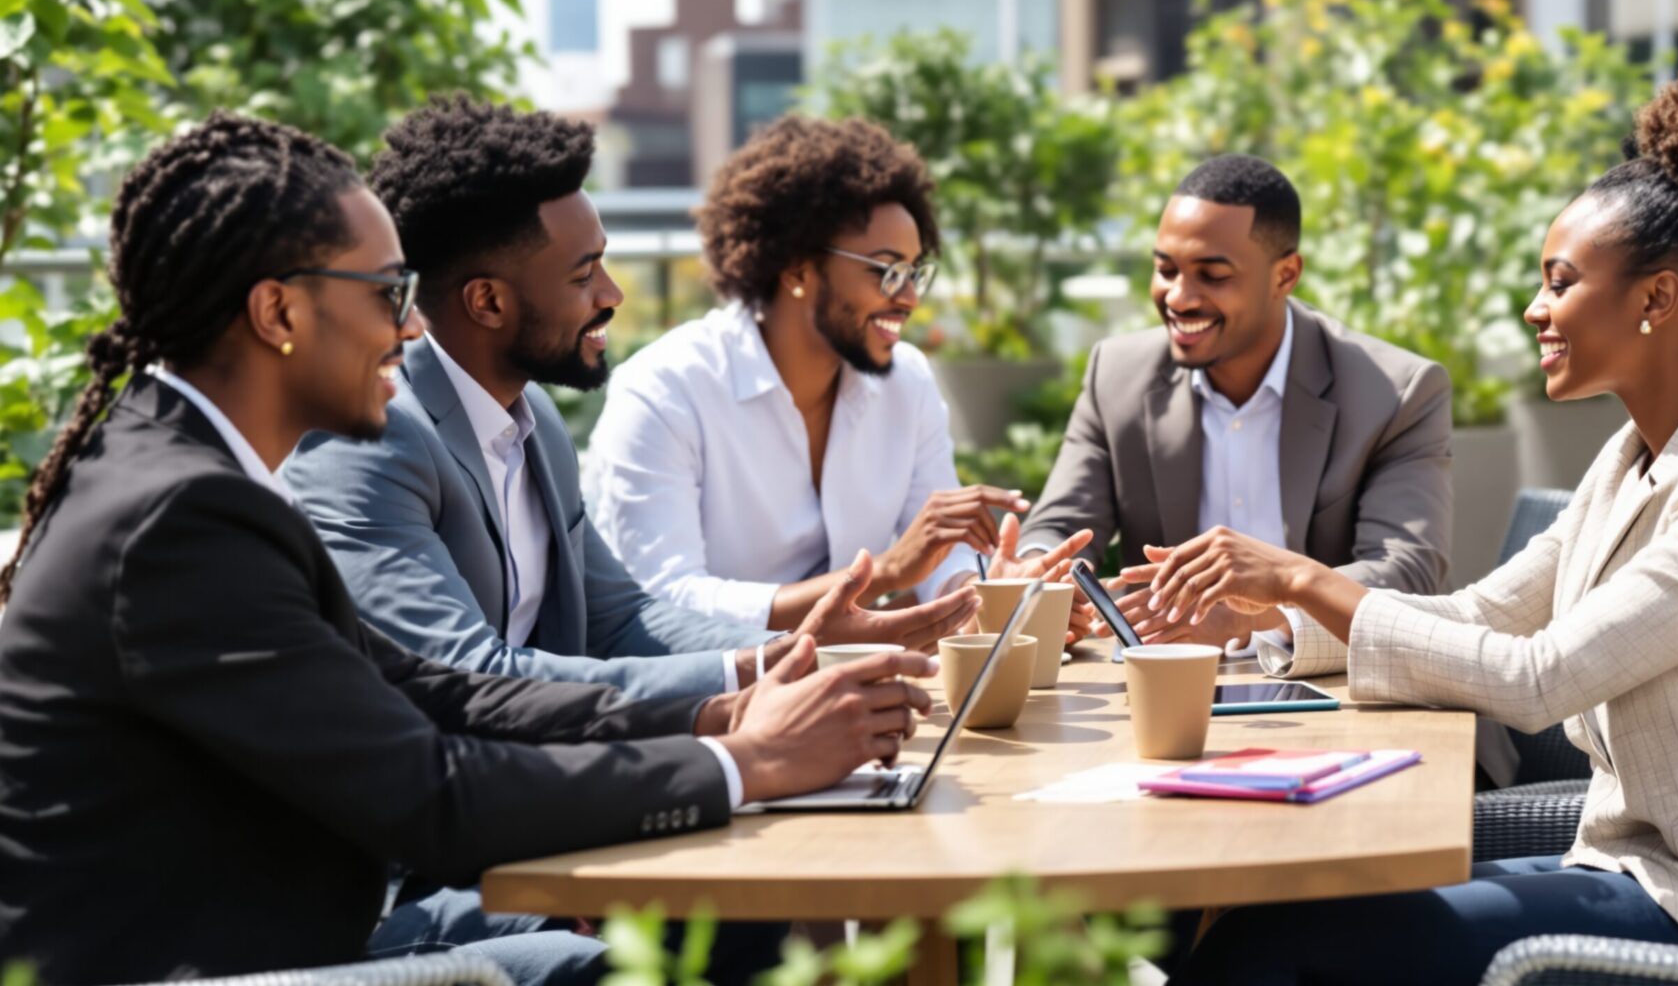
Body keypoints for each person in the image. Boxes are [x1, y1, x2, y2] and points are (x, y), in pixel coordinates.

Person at [0, 113, 936, 986]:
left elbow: (436, 690)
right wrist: (748, 765)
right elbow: (432, 794)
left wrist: (723, 719)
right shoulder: (184, 516)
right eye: (389, 294)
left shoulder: (194, 476)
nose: (410, 328)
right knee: (661, 953)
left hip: (280, 927)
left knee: (712, 923)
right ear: (279, 315)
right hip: (211, 965)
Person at [1133, 65, 1678, 983]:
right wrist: (1274, 621)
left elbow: (1541, 677)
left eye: (1560, 282)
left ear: (1657, 300)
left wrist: (1301, 576)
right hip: (1634, 870)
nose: (1536, 309)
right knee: (1265, 917)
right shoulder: (1631, 459)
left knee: (1285, 945)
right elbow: (1483, 614)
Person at [282, 99, 979, 703]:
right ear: (488, 301)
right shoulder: (370, 438)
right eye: (585, 275)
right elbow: (468, 673)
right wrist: (759, 670)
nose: (613, 294)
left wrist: (798, 652)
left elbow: (620, 619)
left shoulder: (534, 424)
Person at [584, 115, 1092, 637]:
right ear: (797, 268)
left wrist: (991, 589)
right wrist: (883, 573)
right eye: (887, 269)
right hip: (711, 704)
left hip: (862, 689)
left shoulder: (906, 382)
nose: (911, 297)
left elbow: (938, 560)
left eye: (916, 271)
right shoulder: (665, 390)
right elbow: (663, 600)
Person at [1016, 154, 1452, 669]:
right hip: (1168, 689)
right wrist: (1036, 574)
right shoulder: (1117, 375)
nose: (1178, 297)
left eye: (1212, 275)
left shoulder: (1395, 393)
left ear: (1285, 275)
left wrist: (1252, 617)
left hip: (1336, 690)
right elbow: (1061, 524)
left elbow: (1407, 573)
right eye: (1165, 270)